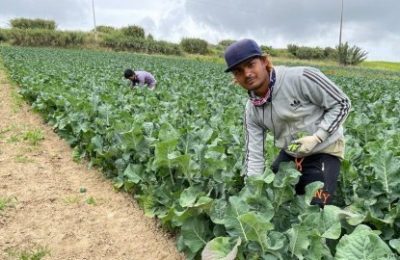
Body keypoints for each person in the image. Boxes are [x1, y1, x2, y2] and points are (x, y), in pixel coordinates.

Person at [224, 39, 351, 207]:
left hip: (325, 149)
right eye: (239, 71)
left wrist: (318, 137)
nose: (247, 73)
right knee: (273, 199)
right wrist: (252, 193)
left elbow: (342, 103)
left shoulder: (301, 77)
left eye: (251, 65)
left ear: (264, 61)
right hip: (291, 153)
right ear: (235, 78)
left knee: (317, 206)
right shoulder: (252, 109)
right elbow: (254, 154)